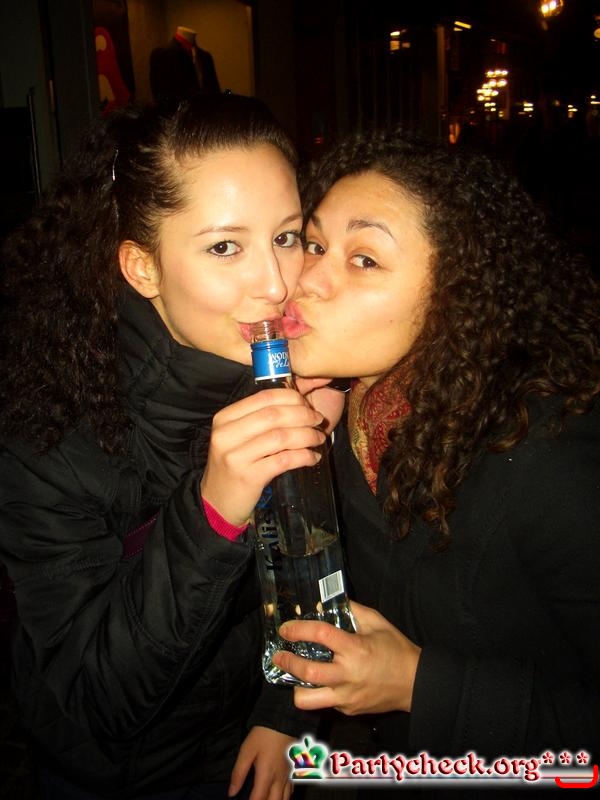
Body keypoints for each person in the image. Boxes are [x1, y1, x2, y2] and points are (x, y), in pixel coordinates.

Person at [205, 129, 600, 793]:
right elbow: (334, 587)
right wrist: (284, 714)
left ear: (456, 297)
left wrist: (420, 685)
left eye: (364, 260)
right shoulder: (355, 420)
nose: (304, 282)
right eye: (315, 245)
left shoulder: (549, 460)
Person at [0, 93, 325, 800]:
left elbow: (306, 580)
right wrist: (212, 514)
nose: (275, 285)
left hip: (245, 743)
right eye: (224, 247)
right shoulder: (47, 434)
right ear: (142, 268)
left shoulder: (288, 375)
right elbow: (95, 697)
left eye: (287, 237)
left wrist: (282, 710)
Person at [150, 26, 221, 105]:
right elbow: (161, 96)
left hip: (208, 110)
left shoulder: (205, 57)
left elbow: (215, 92)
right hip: (177, 110)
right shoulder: (163, 55)